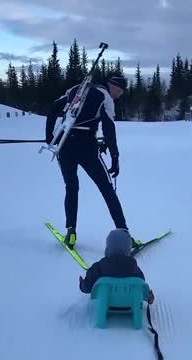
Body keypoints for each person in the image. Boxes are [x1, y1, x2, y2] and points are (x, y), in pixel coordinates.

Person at [45, 75, 141, 250]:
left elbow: (53, 108)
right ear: (112, 86)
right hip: (87, 149)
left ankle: (71, 232)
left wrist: (49, 137)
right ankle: (125, 235)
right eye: (119, 91)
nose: (118, 96)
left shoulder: (77, 89)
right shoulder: (105, 97)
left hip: (64, 145)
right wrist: (115, 156)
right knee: (107, 190)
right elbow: (109, 128)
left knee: (71, 187)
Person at [79, 229, 154, 304]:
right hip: (128, 304)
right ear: (127, 248)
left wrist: (82, 284)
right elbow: (141, 284)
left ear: (108, 247)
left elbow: (87, 287)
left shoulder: (99, 266)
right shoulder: (133, 267)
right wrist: (148, 297)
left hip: (106, 305)